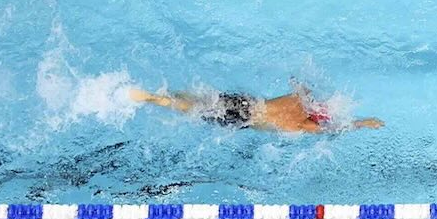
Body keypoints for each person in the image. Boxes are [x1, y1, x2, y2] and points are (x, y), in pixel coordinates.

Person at [128, 85, 383, 137]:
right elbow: (334, 128)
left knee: (199, 100)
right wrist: (362, 123)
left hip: (247, 102)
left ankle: (161, 95)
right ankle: (155, 99)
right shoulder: (302, 125)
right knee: (194, 109)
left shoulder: (299, 99)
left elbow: (299, 83)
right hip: (245, 118)